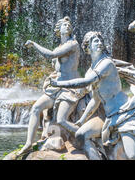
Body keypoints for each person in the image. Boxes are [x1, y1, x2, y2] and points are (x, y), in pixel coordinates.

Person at [50, 31, 135, 160]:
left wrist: (59, 83)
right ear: (87, 47)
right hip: (109, 117)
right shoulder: (91, 69)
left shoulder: (107, 63)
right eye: (95, 41)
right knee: (81, 135)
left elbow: (86, 82)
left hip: (126, 114)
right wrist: (82, 119)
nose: (100, 43)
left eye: (101, 40)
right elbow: (95, 100)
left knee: (133, 155)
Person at [19, 16, 85, 155]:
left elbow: (51, 55)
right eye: (64, 25)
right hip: (56, 87)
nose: (67, 26)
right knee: (36, 107)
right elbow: (57, 68)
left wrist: (34, 44)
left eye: (69, 25)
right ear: (58, 29)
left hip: (69, 87)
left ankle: (85, 135)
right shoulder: (59, 47)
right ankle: (28, 143)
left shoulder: (73, 43)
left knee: (61, 120)